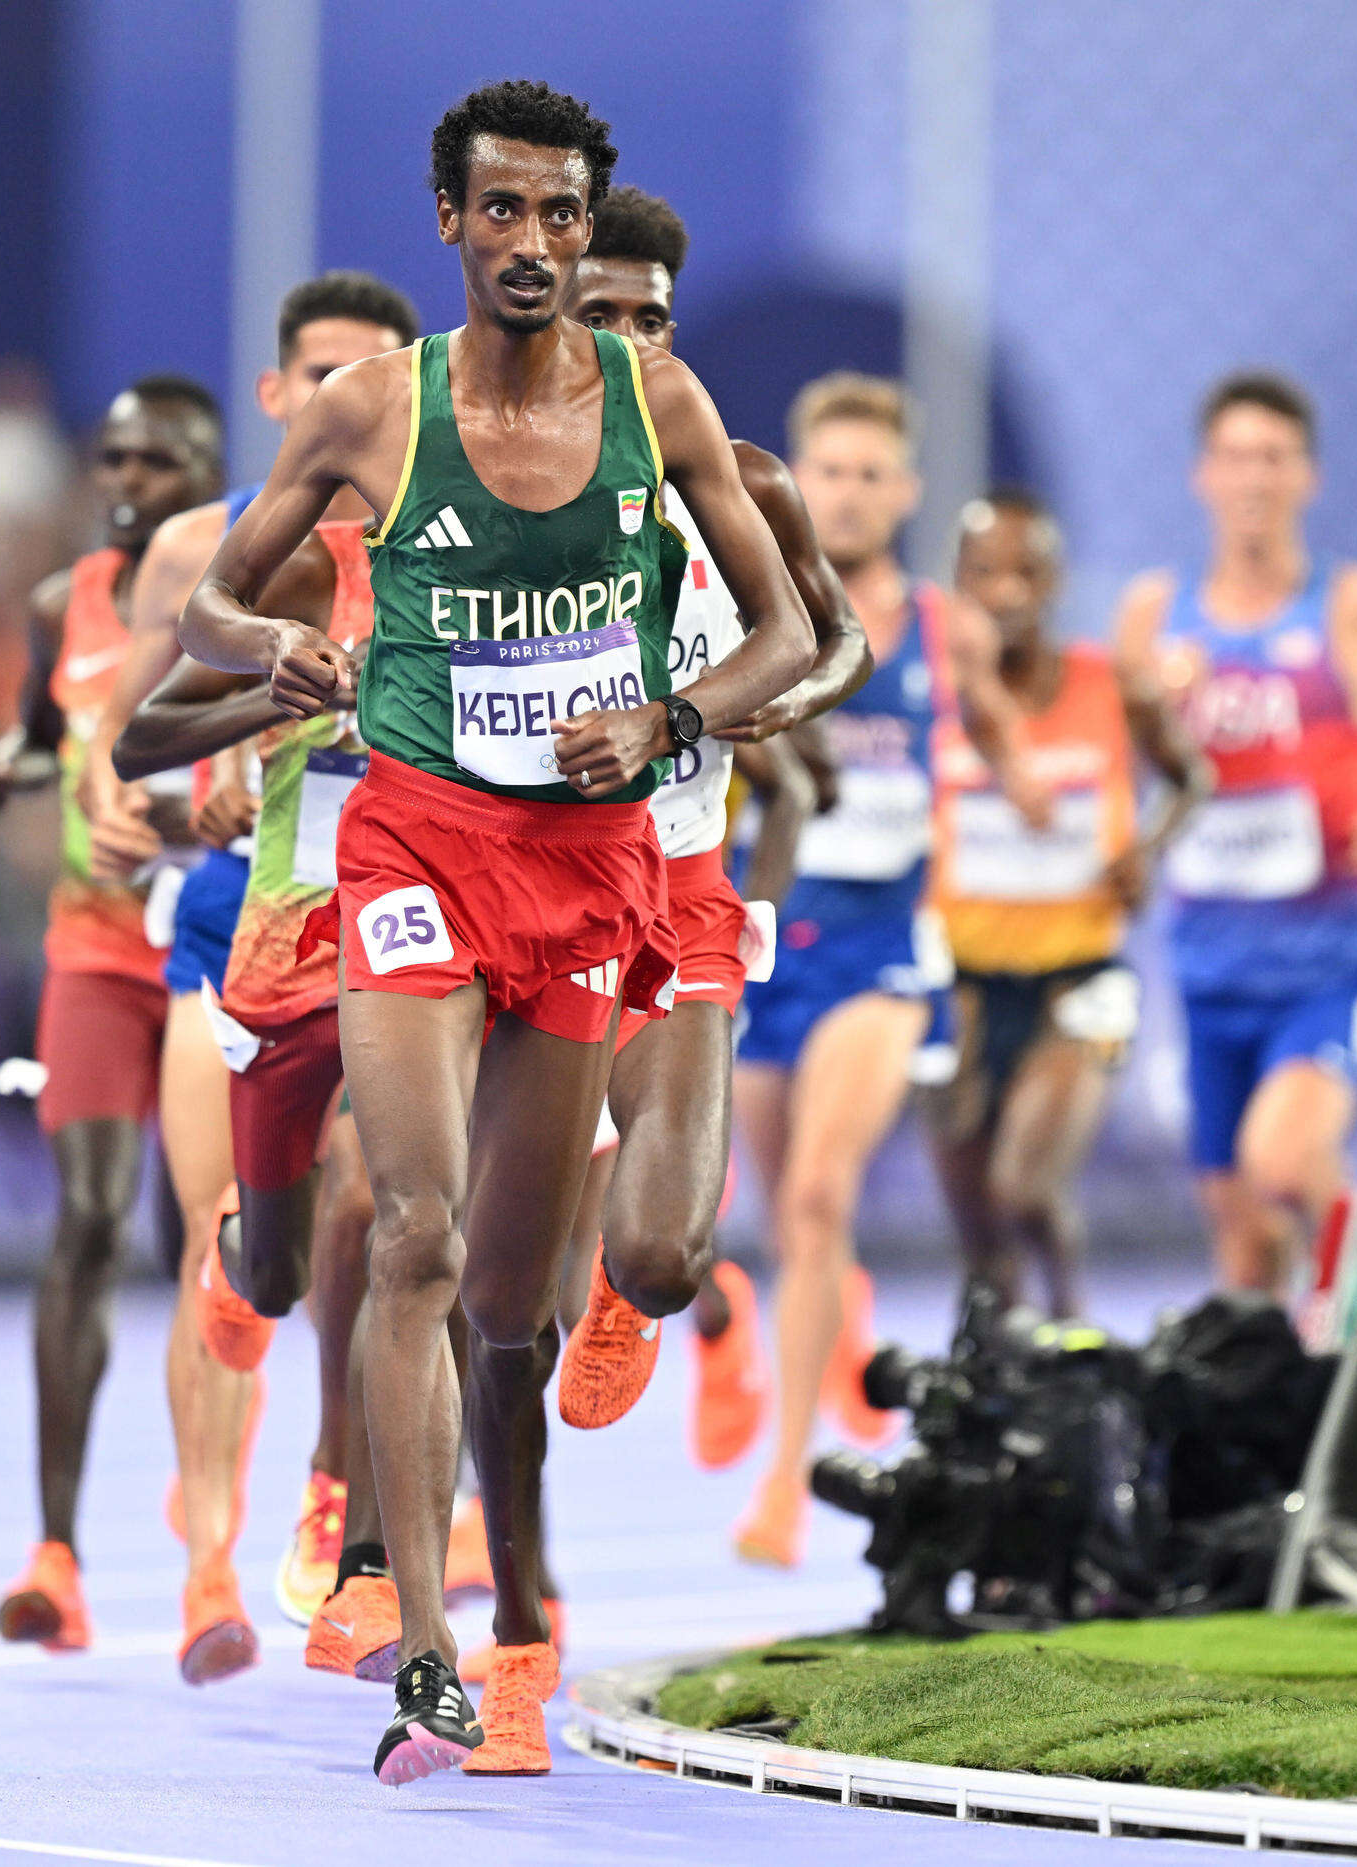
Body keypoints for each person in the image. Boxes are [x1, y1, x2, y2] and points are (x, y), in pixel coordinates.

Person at [180, 80, 816, 1783]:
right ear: (451, 223)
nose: (534, 244)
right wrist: (276, 651)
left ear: (585, 231)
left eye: (561, 218)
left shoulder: (653, 399)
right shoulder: (372, 411)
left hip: (597, 870)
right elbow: (209, 599)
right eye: (504, 213)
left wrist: (676, 723)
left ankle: (503, 1572)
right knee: (414, 1234)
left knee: (513, 1307)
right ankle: (422, 1647)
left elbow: (780, 636)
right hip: (416, 846)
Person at [105, 273, 423, 1638]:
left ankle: (340, 1503)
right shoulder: (206, 550)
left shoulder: (450, 543)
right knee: (233, 1239)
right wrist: (212, 786)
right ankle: (206, 1572)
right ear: (279, 397)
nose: (344, 406)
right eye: (321, 381)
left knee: (382, 1200)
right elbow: (127, 777)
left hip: (403, 921)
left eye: (374, 382)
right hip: (239, 915)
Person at [548, 186, 869, 1491]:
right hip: (528, 892)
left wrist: (763, 701)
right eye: (599, 313)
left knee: (656, 1249)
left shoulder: (740, 482)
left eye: (652, 317)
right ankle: (439, 1580)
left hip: (678, 886)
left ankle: (661, 1295)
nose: (630, 338)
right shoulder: (480, 475)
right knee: (481, 1248)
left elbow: (828, 633)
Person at [725, 372, 1035, 1570]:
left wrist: (1018, 785)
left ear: (905, 493)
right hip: (764, 937)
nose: (847, 496)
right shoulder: (751, 605)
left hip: (881, 949)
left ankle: (784, 1477)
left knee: (813, 1194)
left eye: (869, 475)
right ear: (793, 481)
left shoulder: (942, 627)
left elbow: (1005, 734)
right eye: (828, 471)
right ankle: (827, 1299)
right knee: (772, 1208)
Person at [1112, 373, 1357, 1307]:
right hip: (1207, 981)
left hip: (1328, 975)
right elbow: (1125, 771)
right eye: (1236, 456)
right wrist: (1127, 839)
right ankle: (1298, 1428)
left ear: (1308, 477)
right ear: (1204, 475)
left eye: (1274, 457)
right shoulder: (1154, 618)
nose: (1254, 476)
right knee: (1244, 1260)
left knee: (1283, 1160)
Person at [0, 376, 225, 1661]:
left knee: (209, 1244)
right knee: (84, 1213)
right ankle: (55, 1555)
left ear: (209, 479)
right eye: (115, 457)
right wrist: (1, 766)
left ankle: (215, 1504)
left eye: (161, 463)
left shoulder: (237, 592)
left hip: (207, 948)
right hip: (90, 952)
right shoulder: (54, 607)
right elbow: (39, 734)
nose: (129, 480)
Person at [922, 490, 1211, 1320]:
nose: (1005, 590)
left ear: (1054, 584)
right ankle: (1003, 1381)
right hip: (961, 983)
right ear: (956, 588)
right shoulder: (933, 692)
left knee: (1021, 1187)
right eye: (983, 574)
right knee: (977, 1235)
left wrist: (1145, 853)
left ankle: (1068, 1319)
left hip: (1080, 981)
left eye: (1025, 572)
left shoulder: (1109, 684)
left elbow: (1192, 776)